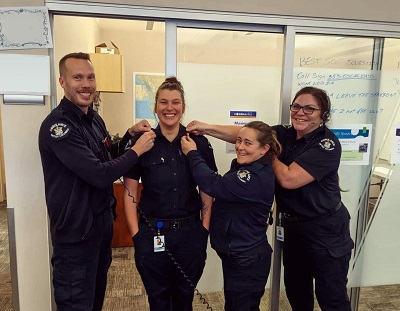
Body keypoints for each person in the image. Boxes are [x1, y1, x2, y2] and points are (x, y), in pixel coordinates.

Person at [186, 86, 354, 311]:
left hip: (326, 230)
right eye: (296, 106)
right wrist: (207, 128)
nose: (300, 112)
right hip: (294, 229)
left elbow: (288, 179)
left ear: (323, 114)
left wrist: (266, 151)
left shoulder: (327, 144)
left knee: (331, 296)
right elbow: (246, 134)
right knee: (297, 292)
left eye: (309, 109)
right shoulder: (285, 133)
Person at [38, 52, 156, 311]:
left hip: (99, 228)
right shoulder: (59, 127)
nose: (86, 84)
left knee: (94, 301)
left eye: (90, 77)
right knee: (76, 303)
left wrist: (128, 136)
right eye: (77, 77)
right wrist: (137, 150)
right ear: (62, 82)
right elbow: (98, 173)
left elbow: (105, 155)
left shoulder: (93, 120)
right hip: (75, 236)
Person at [122, 77, 217, 311]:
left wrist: (203, 229)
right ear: (155, 107)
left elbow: (207, 189)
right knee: (158, 299)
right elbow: (129, 192)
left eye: (175, 102)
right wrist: (136, 235)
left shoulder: (198, 143)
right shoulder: (142, 143)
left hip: (190, 235)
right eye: (163, 102)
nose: (169, 108)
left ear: (183, 107)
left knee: (184, 298)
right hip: (152, 233)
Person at [181, 121, 281, 311]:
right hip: (239, 254)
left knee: (240, 306)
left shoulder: (253, 175)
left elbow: (212, 184)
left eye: (248, 143)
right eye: (238, 140)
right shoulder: (247, 167)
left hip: (247, 259)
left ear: (264, 149)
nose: (240, 147)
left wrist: (192, 153)